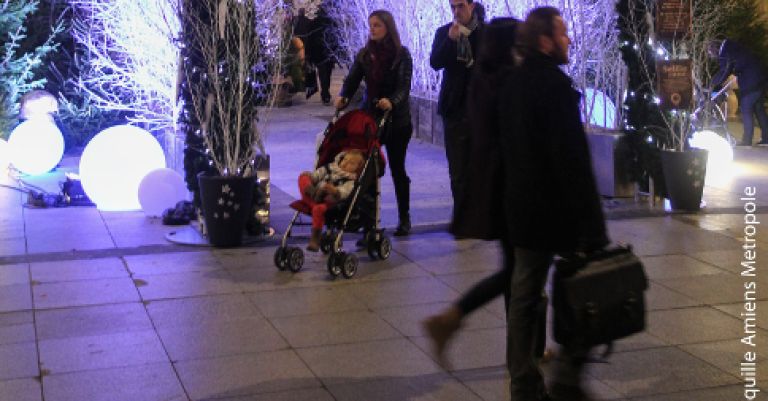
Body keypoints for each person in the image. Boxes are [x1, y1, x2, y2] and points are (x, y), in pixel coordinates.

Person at [499, 7, 609, 401]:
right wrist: (593, 228)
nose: (569, 40)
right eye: (562, 33)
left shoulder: (511, 86)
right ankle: (566, 377)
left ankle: (524, 383)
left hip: (522, 211)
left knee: (525, 295)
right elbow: (573, 163)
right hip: (554, 213)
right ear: (544, 41)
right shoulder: (556, 90)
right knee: (582, 292)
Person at [335, 10, 414, 236]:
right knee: (367, 170)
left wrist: (393, 102)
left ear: (388, 27)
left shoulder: (402, 55)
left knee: (398, 169)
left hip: (397, 121)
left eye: (377, 25)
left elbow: (404, 86)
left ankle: (404, 217)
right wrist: (344, 96)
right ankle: (369, 223)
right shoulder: (365, 55)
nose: (372, 29)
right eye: (371, 26)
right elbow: (352, 80)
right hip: (371, 119)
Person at [430, 0, 484, 210]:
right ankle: (463, 215)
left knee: (480, 164)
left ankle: (480, 213)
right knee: (458, 167)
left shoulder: (485, 32)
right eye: (452, 7)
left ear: (471, 6)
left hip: (481, 107)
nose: (456, 11)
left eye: (460, 5)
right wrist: (450, 41)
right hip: (455, 106)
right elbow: (435, 62)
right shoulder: (444, 32)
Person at [299, 150, 365, 251]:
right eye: (345, 160)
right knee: (303, 177)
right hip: (314, 194)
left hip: (329, 201)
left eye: (351, 163)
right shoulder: (330, 167)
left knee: (319, 208)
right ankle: (314, 194)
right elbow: (316, 176)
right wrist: (310, 177)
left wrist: (335, 191)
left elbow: (344, 192)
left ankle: (315, 239)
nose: (346, 163)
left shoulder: (351, 181)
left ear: (358, 169)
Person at [708, 39, 768, 146]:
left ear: (714, 48)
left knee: (746, 108)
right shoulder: (731, 47)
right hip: (760, 79)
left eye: (710, 53)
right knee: (759, 109)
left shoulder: (725, 52)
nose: (712, 57)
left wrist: (711, 84)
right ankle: (766, 139)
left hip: (751, 81)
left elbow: (725, 70)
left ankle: (746, 141)